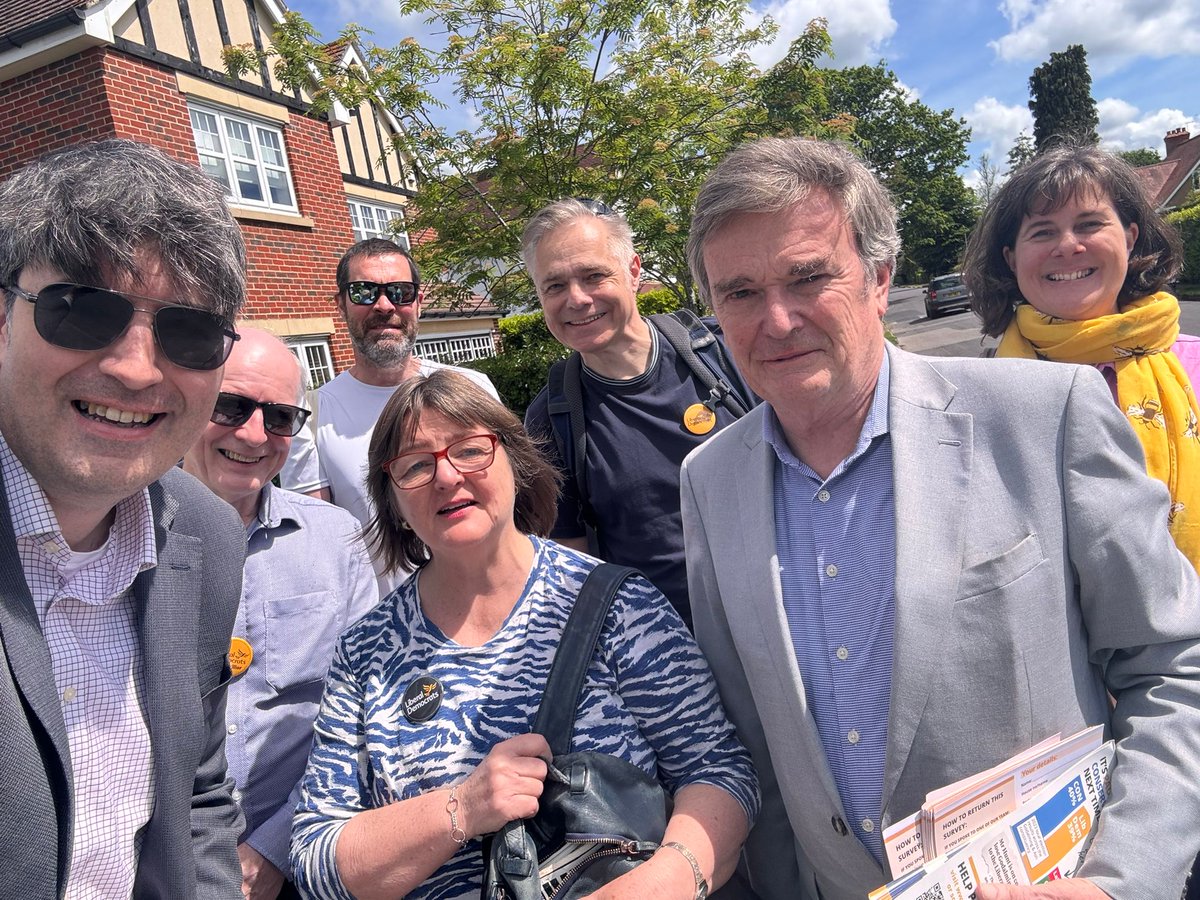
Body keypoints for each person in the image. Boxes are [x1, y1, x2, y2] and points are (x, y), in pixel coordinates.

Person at [678, 136, 1200, 900]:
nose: (778, 320)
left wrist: (1116, 884)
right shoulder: (707, 480)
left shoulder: (1043, 418)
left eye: (808, 277)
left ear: (880, 278)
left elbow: (1174, 669)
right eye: (741, 293)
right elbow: (751, 733)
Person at [291, 369, 757, 900]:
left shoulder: (620, 607)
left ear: (517, 462)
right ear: (392, 504)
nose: (446, 477)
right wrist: (463, 807)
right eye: (416, 466)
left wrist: (662, 884)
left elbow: (718, 770)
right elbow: (315, 860)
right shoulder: (365, 653)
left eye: (470, 450)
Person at [0, 139, 248, 896]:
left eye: (191, 332)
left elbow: (198, 796)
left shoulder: (208, 536)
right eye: (82, 311)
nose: (138, 367)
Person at [182, 328, 378, 899]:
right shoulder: (124, 537)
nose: (253, 434)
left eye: (279, 417)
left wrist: (275, 849)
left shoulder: (337, 539)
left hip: (304, 855)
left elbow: (370, 714)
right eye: (231, 406)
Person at [522, 199, 754, 629]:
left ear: (633, 271)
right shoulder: (552, 420)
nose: (576, 299)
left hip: (787, 623)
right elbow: (572, 567)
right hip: (670, 660)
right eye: (554, 286)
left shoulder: (725, 353)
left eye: (594, 276)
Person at [963, 143, 1199, 564]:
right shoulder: (973, 399)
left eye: (1089, 224)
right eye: (1042, 231)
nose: (1068, 246)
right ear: (1011, 259)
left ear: (1129, 239)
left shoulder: (1195, 365)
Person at [280, 238, 497, 593]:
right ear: (341, 304)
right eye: (364, 292)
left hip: (493, 598)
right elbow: (317, 547)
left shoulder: (473, 387)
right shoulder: (312, 418)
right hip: (390, 628)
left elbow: (512, 500)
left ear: (419, 303)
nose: (384, 305)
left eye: (400, 291)